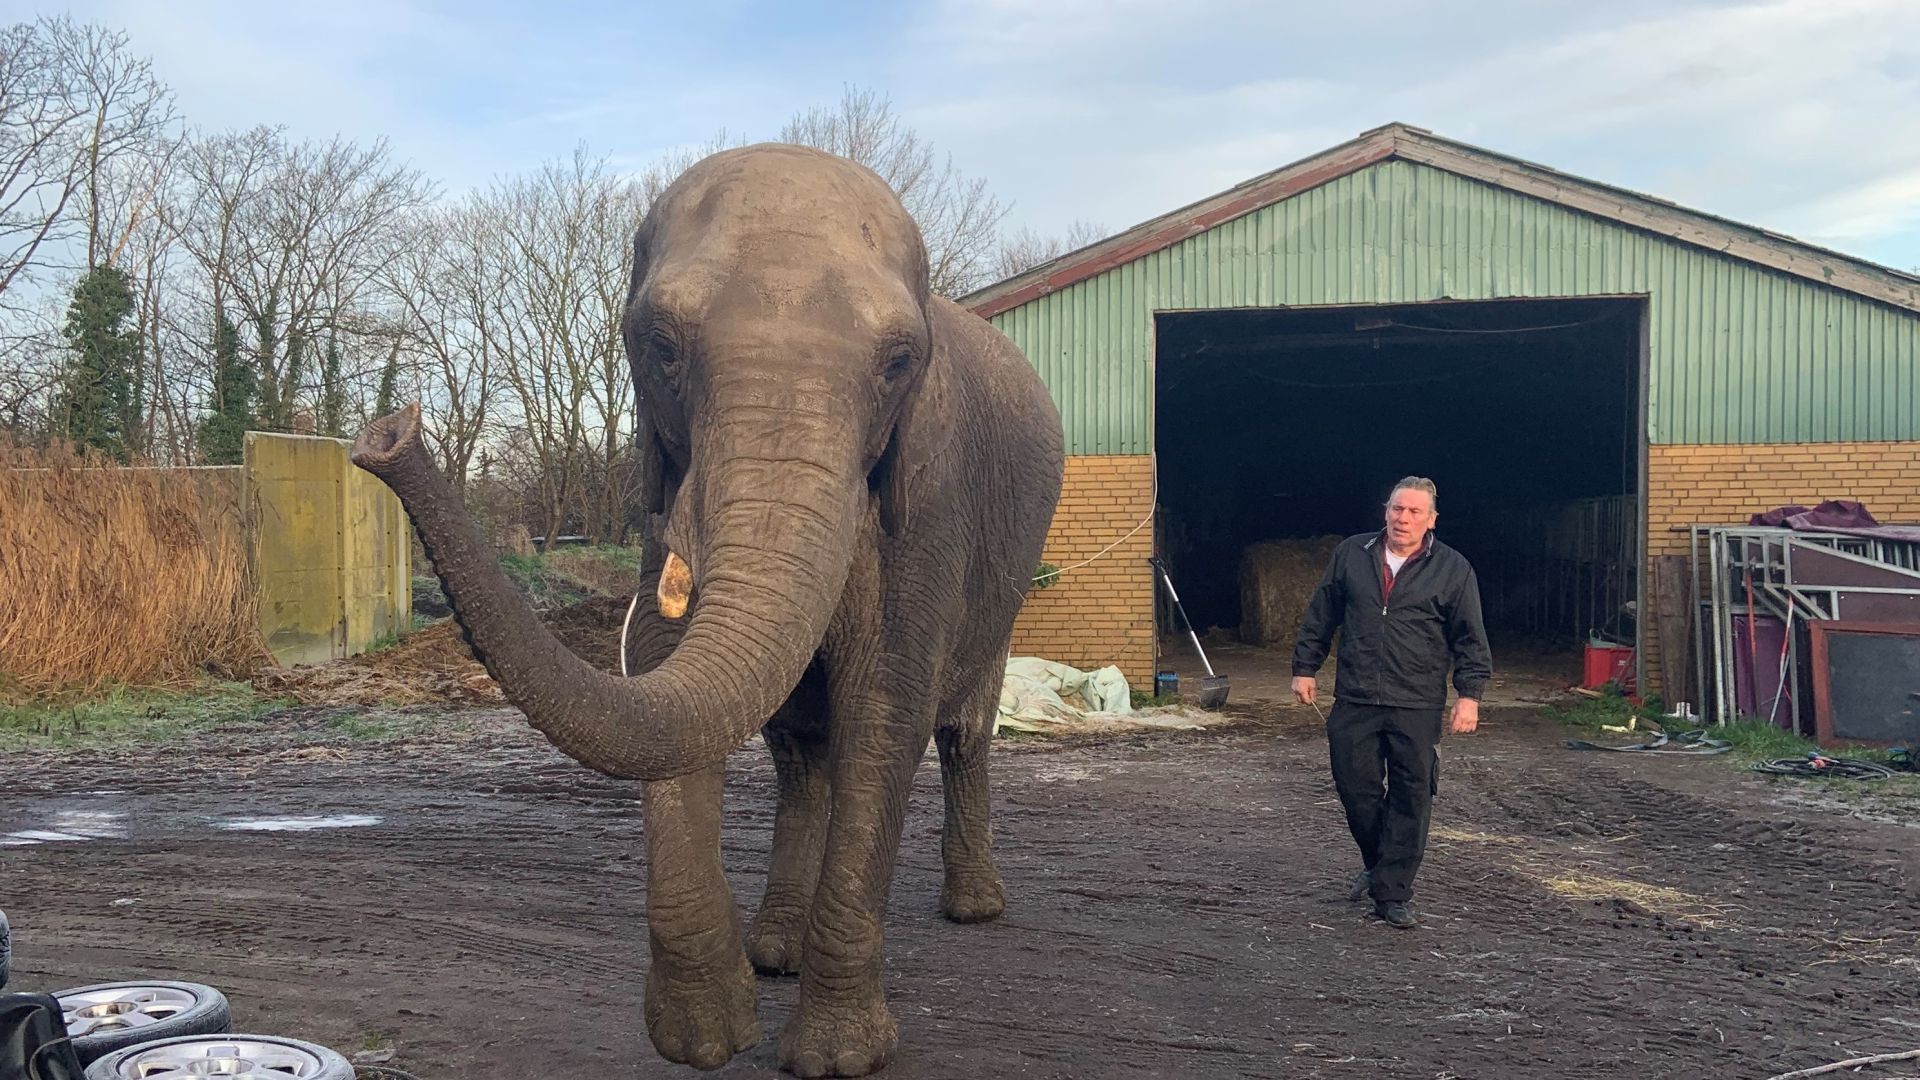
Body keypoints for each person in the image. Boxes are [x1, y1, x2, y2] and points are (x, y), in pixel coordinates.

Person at [1290, 476, 1491, 929]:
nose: (1404, 519)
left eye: (1415, 512)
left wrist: (1469, 695)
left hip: (1417, 702)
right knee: (1355, 789)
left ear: (1431, 520)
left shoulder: (1453, 568)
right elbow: (1321, 613)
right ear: (1386, 511)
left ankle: (1393, 893)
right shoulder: (1351, 554)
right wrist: (1305, 667)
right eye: (1398, 509)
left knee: (1412, 796)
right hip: (1356, 695)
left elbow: (1470, 638)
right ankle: (1382, 863)